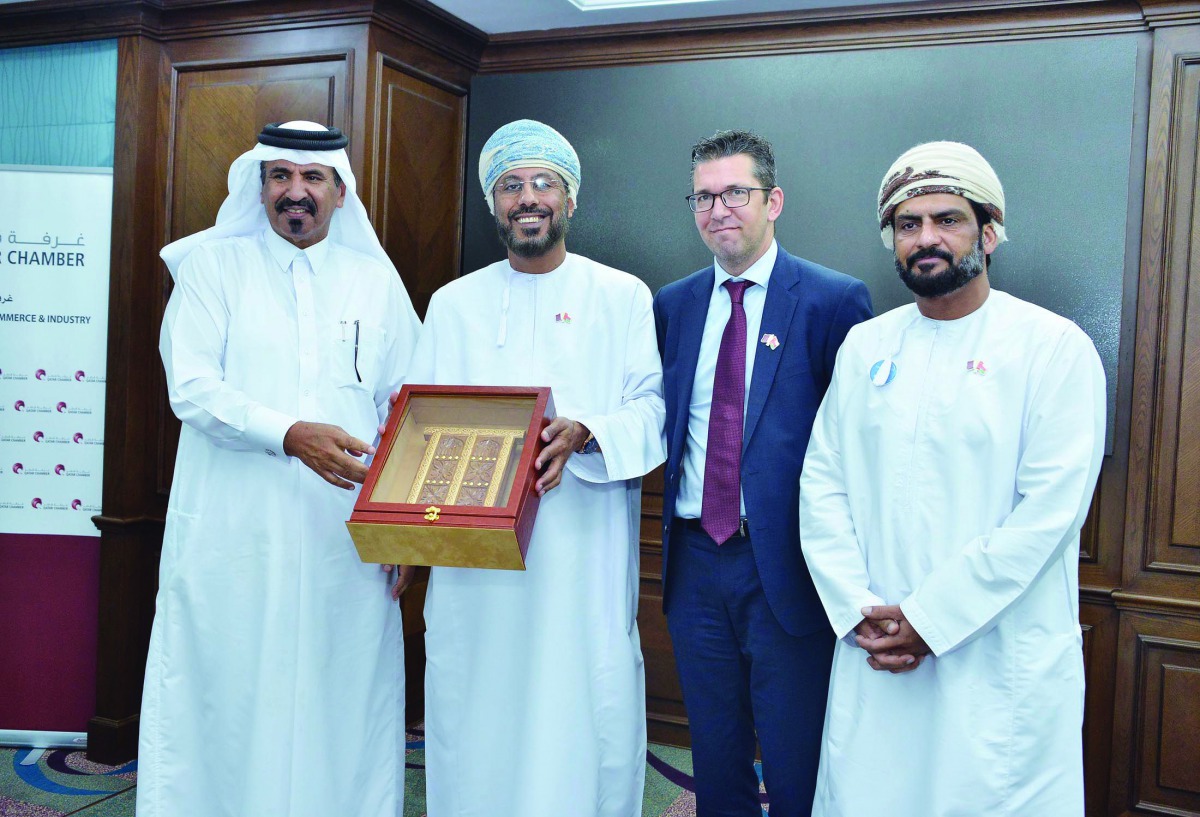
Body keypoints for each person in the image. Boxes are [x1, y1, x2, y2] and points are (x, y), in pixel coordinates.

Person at [799, 140, 1105, 817]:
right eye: (909, 225)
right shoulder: (866, 347)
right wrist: (858, 607)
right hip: (875, 644)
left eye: (947, 219)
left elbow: (1048, 515)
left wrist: (931, 617)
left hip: (993, 661)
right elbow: (823, 486)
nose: (926, 238)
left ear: (989, 231)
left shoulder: (1053, 349)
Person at [140, 121, 420, 817]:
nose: (296, 192)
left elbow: (407, 411)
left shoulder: (376, 284)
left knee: (342, 695)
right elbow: (192, 389)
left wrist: (409, 531)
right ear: (259, 185)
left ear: (339, 190)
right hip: (235, 537)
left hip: (345, 542)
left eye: (313, 177)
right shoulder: (212, 269)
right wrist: (289, 434)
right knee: (231, 693)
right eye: (279, 176)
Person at [408, 119, 665, 817]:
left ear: (570, 200)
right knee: (477, 700)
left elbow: (652, 414)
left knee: (578, 700)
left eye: (543, 182)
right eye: (511, 185)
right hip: (475, 565)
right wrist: (407, 540)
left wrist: (587, 432)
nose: (529, 197)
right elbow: (416, 427)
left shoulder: (623, 296)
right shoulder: (452, 304)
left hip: (578, 554)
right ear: (495, 205)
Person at [652, 129, 873, 816]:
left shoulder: (834, 301)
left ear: (772, 200)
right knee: (716, 756)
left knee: (793, 754)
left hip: (786, 566)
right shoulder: (672, 305)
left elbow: (857, 446)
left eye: (736, 193)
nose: (719, 209)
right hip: (694, 563)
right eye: (704, 196)